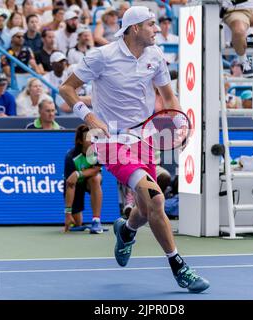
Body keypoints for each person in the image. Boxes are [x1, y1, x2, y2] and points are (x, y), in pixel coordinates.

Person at [60, 6, 210, 293]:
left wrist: (180, 124)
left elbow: (168, 96)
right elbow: (67, 88)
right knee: (155, 200)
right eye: (151, 25)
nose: (156, 29)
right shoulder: (101, 57)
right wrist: (89, 117)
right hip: (110, 140)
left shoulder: (155, 56)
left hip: (144, 138)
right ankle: (179, 267)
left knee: (144, 208)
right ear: (134, 29)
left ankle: (126, 230)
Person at [63, 124, 104, 234]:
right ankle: (77, 222)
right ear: (80, 141)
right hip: (75, 186)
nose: (92, 140)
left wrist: (78, 173)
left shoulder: (98, 151)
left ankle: (96, 221)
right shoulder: (70, 157)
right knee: (77, 223)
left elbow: (96, 169)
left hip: (89, 181)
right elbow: (70, 185)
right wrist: (67, 213)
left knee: (95, 179)